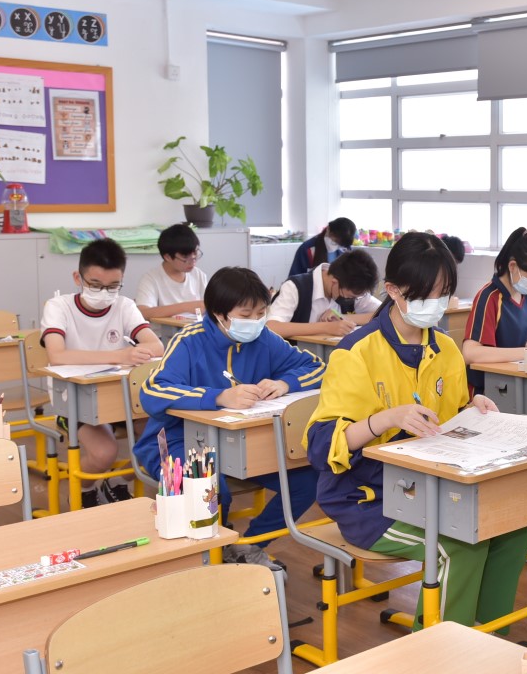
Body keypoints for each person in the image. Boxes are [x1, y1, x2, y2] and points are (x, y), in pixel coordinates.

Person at [306, 232, 527, 627]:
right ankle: (439, 651)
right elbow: (321, 447)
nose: (436, 305)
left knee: (512, 532)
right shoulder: (356, 352)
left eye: (444, 294)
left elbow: (450, 416)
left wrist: (471, 409)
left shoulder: (445, 348)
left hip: (429, 489)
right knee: (460, 544)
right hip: (368, 500)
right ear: (393, 290)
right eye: (426, 296)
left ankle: (488, 643)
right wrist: (386, 419)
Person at [135, 266, 325, 569]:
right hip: (181, 441)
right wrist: (217, 397)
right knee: (209, 488)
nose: (256, 322)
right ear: (219, 314)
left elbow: (318, 367)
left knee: (307, 480)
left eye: (261, 313)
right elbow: (152, 391)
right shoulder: (190, 341)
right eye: (246, 315)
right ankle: (210, 557)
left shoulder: (264, 338)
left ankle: (247, 547)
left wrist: (285, 383)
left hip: (241, 443)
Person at [41, 238, 165, 507]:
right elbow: (57, 355)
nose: (104, 293)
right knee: (104, 453)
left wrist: (137, 352)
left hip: (119, 396)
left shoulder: (124, 306)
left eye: (113, 286)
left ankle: (116, 482)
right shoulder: (58, 306)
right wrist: (120, 355)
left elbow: (156, 346)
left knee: (160, 442)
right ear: (78, 278)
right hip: (72, 400)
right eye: (95, 285)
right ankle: (83, 488)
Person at [462, 227, 527, 394]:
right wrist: (525, 353)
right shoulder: (489, 297)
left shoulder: (526, 297)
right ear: (513, 266)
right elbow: (470, 353)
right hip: (488, 391)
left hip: (517, 384)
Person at [267, 249, 380, 339]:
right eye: (350, 297)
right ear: (334, 282)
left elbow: (386, 312)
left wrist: (344, 317)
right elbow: (272, 327)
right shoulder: (295, 287)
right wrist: (326, 327)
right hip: (298, 357)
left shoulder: (352, 287)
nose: (351, 299)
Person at [136, 223, 208, 319]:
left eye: (195, 253)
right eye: (185, 257)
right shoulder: (151, 279)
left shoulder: (198, 275)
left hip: (195, 327)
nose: (192, 261)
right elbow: (143, 312)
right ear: (168, 257)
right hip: (165, 329)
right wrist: (186, 307)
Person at [287, 217, 357, 278]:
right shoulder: (307, 249)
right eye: (334, 242)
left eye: (340, 245)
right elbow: (294, 278)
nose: (336, 247)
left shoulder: (346, 249)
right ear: (328, 229)